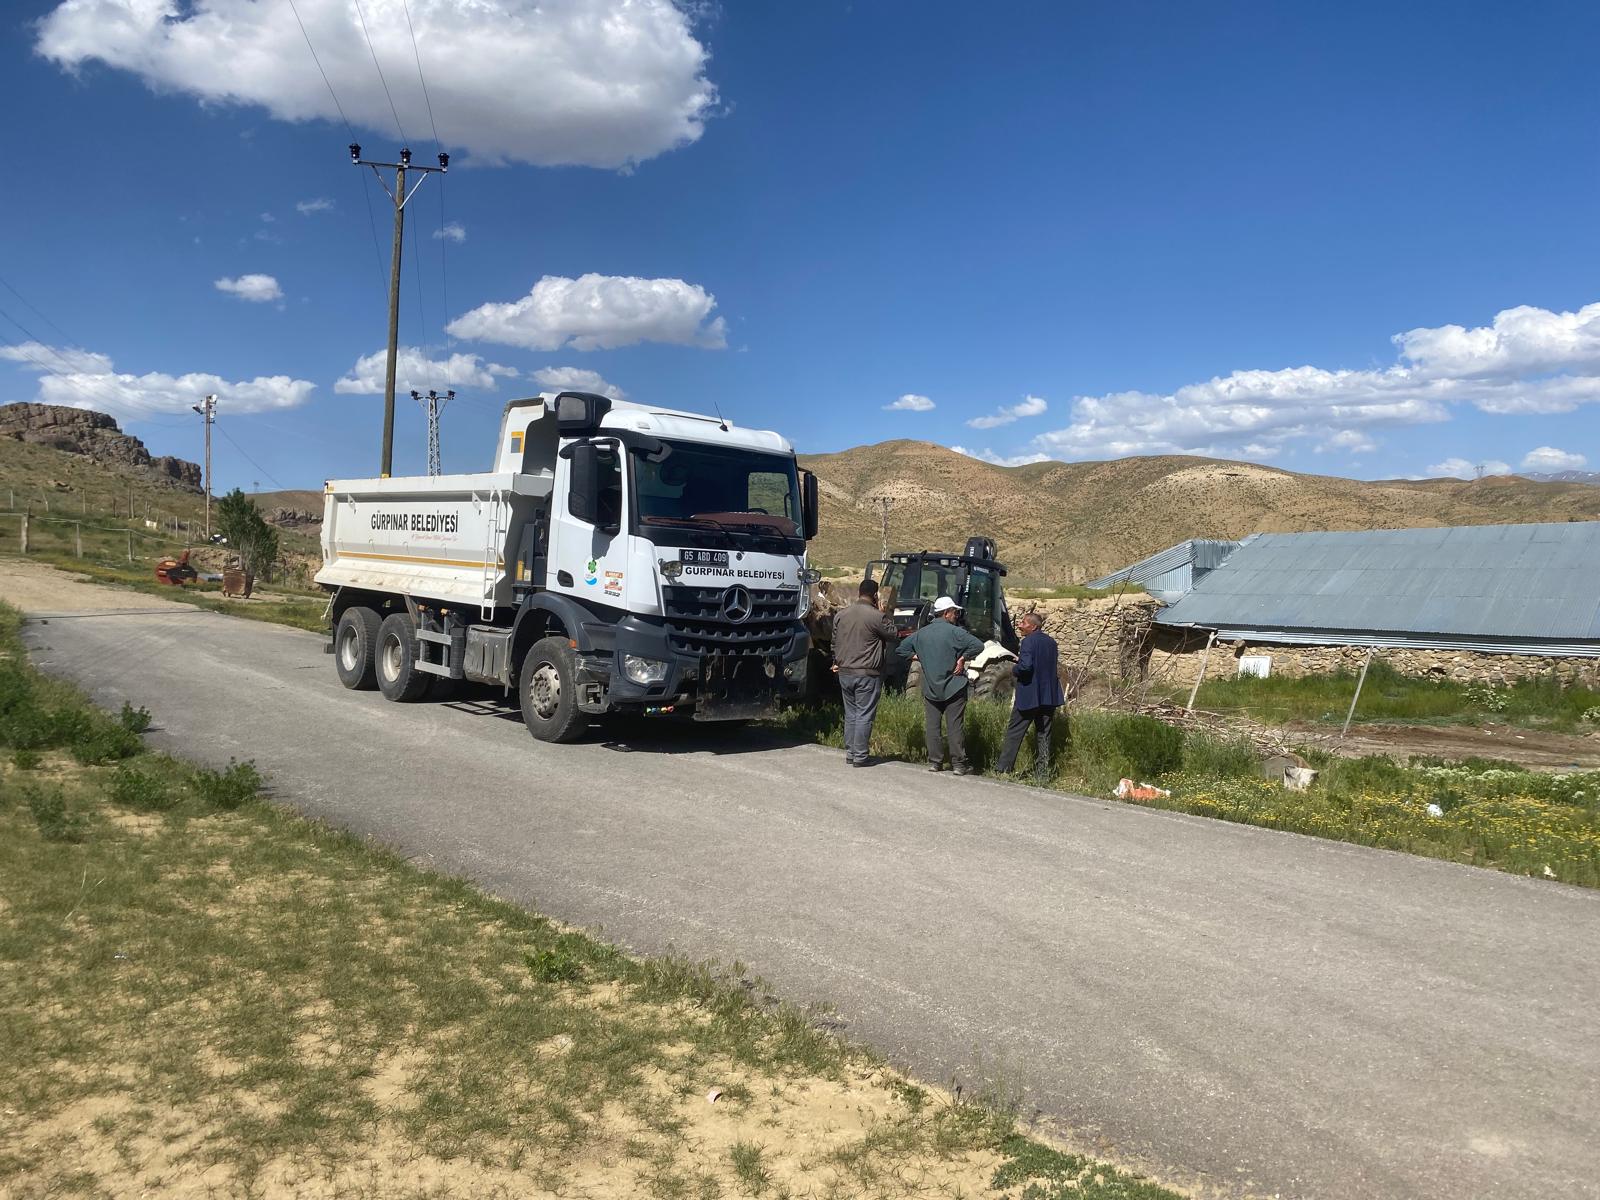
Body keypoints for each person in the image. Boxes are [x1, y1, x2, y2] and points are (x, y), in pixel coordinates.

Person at [898, 596, 985, 775]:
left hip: (930, 688)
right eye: (954, 612)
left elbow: (902, 649)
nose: (956, 615)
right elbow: (978, 646)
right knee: (955, 726)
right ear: (946, 613)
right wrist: (962, 658)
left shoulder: (922, 633)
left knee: (932, 726)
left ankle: (935, 762)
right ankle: (959, 764)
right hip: (954, 686)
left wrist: (919, 657)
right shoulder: (956, 632)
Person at [830, 578, 899, 766]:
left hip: (844, 672)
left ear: (859, 593)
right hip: (867, 673)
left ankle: (851, 753)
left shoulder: (841, 615)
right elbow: (893, 634)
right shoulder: (876, 616)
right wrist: (885, 614)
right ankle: (860, 756)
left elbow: (834, 643)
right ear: (875, 595)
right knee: (864, 714)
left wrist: (836, 662)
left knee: (851, 714)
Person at [994, 610, 1065, 780]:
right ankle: (1043, 773)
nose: (1019, 625)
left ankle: (1003, 768)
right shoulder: (1051, 642)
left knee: (1015, 732)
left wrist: (1014, 669)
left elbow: (1026, 667)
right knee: (1044, 734)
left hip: (1029, 695)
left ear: (1033, 627)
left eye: (1023, 623)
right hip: (1048, 696)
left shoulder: (1028, 642)